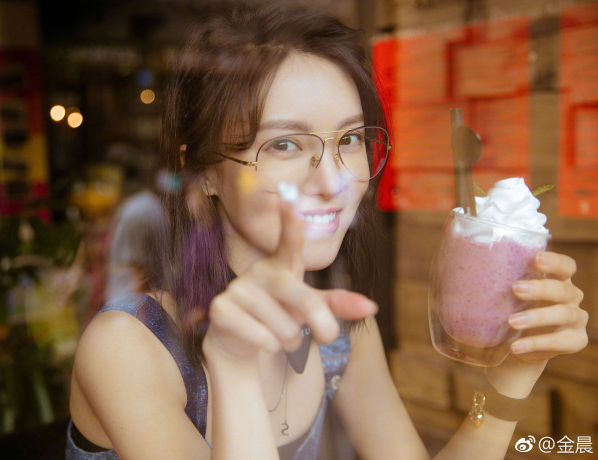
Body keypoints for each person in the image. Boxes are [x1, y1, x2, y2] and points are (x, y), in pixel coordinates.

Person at [66, 4, 588, 459]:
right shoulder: (130, 347)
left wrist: (512, 378)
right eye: (285, 145)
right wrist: (234, 369)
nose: (334, 180)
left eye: (352, 138)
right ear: (202, 172)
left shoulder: (339, 334)